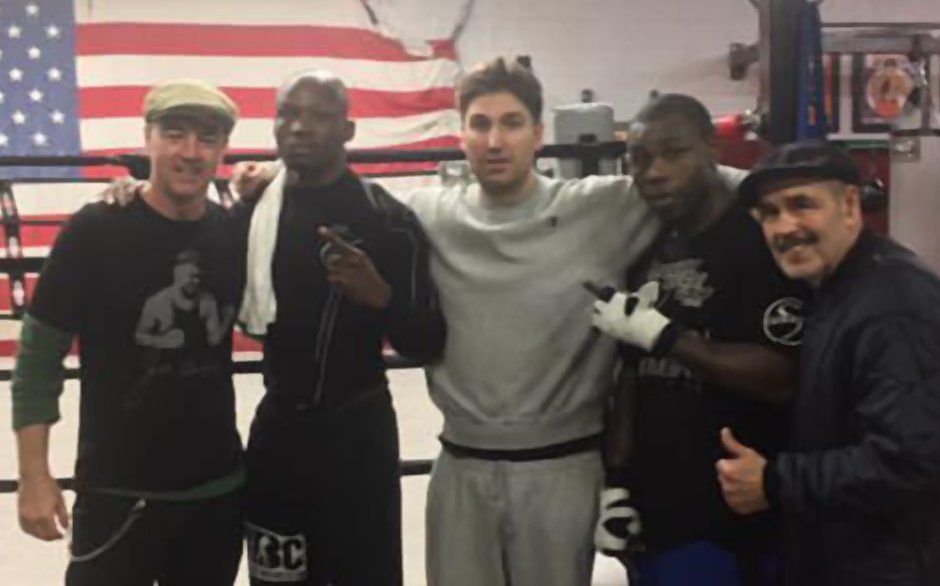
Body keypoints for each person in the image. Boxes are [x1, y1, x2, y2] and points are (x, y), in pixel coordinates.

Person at [12, 80, 245, 585]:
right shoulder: (96, 230)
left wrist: (267, 177)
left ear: (223, 149)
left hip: (216, 491)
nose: (189, 152)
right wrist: (33, 474)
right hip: (118, 489)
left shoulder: (233, 233)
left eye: (207, 138)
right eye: (174, 134)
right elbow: (38, 356)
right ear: (148, 138)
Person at [235, 70, 445, 586]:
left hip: (358, 435)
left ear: (348, 131)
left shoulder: (387, 219)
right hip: (278, 432)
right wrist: (125, 189)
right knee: (276, 579)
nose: (300, 127)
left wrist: (383, 299)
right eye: (288, 113)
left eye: (320, 115)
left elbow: (426, 342)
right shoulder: (253, 210)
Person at [589, 94, 804, 586]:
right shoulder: (651, 248)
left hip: (734, 522)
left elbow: (782, 376)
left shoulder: (759, 245)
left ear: (711, 149)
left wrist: (669, 337)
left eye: (674, 152)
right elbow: (631, 372)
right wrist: (618, 482)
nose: (655, 171)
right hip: (659, 515)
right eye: (640, 159)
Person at [717, 139, 940, 586]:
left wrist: (776, 482)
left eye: (803, 205)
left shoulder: (892, 304)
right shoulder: (840, 290)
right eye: (770, 213)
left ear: (851, 205)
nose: (785, 227)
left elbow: (910, 460)